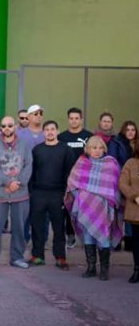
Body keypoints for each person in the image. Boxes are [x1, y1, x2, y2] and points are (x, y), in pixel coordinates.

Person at [65, 136, 122, 281]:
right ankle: (91, 268)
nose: (96, 151)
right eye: (93, 148)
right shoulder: (81, 163)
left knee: (103, 237)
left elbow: (114, 187)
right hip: (85, 206)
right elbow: (72, 183)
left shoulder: (111, 164)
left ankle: (104, 269)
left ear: (104, 149)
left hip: (103, 207)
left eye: (99, 148)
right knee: (88, 236)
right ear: (87, 149)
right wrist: (81, 195)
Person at [0, 116, 32, 269]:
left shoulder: (24, 145)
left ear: (14, 127)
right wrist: (8, 182)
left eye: (10, 125)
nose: (7, 128)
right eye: (4, 126)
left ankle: (17, 257)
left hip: (20, 192)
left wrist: (18, 183)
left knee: (19, 226)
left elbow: (28, 165)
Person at [30, 120, 73, 269]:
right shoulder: (37, 150)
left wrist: (66, 193)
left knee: (59, 227)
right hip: (38, 193)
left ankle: (60, 257)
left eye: (52, 129)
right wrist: (31, 192)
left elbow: (70, 173)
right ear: (43, 132)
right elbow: (32, 173)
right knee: (37, 226)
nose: (49, 132)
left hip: (58, 193)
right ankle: (37, 255)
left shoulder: (66, 150)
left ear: (57, 131)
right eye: (47, 129)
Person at [59, 107, 92, 249]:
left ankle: (87, 237)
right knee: (68, 208)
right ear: (68, 120)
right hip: (67, 179)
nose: (74, 121)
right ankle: (70, 235)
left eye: (76, 118)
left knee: (85, 209)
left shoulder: (88, 136)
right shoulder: (61, 137)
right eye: (71, 118)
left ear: (81, 120)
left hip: (85, 179)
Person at [119, 147, 139, 283]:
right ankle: (137, 269)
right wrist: (135, 196)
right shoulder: (131, 163)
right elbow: (123, 183)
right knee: (137, 242)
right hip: (136, 207)